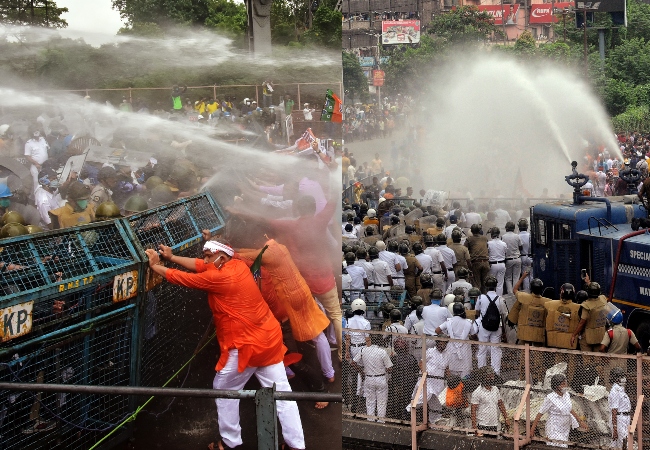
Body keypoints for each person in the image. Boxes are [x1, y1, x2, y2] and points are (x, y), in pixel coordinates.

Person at [145, 239, 304, 450]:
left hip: (246, 346)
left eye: (209, 256)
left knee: (224, 389)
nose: (205, 259)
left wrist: (157, 266)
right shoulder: (235, 265)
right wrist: (172, 257)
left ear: (222, 257)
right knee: (282, 393)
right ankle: (296, 445)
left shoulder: (219, 277)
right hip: (269, 340)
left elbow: (183, 278)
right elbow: (199, 265)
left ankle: (230, 442)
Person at [531, 374, 587, 447]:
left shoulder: (566, 395)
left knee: (564, 446)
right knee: (557, 447)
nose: (565, 386)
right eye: (563, 384)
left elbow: (570, 409)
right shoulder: (550, 398)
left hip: (565, 428)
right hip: (554, 429)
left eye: (565, 383)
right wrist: (532, 430)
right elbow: (540, 414)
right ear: (556, 386)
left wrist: (580, 422)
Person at [352, 334, 393, 422]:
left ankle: (370, 420)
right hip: (381, 378)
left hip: (368, 378)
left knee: (370, 402)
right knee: (381, 402)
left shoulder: (363, 350)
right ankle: (381, 421)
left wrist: (361, 371)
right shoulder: (382, 352)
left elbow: (353, 363)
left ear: (370, 341)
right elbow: (389, 369)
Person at [435, 302, 477, 378]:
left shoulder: (449, 322)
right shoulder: (468, 322)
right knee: (465, 372)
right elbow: (474, 335)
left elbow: (437, 330)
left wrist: (447, 337)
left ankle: (454, 387)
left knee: (453, 372)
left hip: (452, 348)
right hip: (465, 349)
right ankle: (464, 387)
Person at [475, 276, 507, 375]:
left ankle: (482, 372)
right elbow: (503, 316)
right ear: (496, 286)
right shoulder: (500, 299)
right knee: (496, 350)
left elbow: (477, 313)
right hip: (497, 327)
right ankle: (496, 373)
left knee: (482, 349)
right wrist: (504, 332)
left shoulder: (481, 298)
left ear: (486, 286)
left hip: (483, 327)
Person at [508, 275, 548, 345]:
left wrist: (522, 278)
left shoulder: (523, 297)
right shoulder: (547, 302)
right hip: (538, 334)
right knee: (538, 353)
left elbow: (515, 290)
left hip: (524, 332)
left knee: (524, 353)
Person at [470, 366, 510, 436]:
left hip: (494, 424)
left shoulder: (495, 389)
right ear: (483, 378)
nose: (491, 379)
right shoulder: (477, 392)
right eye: (488, 377)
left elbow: (500, 404)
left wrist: (506, 418)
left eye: (492, 377)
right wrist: (474, 427)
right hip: (482, 425)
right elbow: (473, 411)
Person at [571, 282, 608, 352]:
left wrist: (574, 335)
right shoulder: (603, 299)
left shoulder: (586, 306)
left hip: (588, 336)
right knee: (598, 359)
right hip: (600, 335)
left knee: (587, 360)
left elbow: (582, 322)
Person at [608, 367, 631, 450]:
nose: (623, 378)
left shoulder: (621, 389)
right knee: (624, 443)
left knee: (619, 444)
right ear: (616, 378)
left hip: (625, 418)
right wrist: (615, 428)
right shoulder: (615, 391)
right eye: (621, 377)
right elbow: (614, 410)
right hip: (619, 419)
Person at [466, 224, 490, 293]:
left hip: (476, 263)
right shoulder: (484, 238)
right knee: (485, 284)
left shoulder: (469, 239)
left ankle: (478, 300)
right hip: (486, 262)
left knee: (477, 284)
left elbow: (465, 250)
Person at [24, 128, 49, 194]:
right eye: (34, 131)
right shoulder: (28, 143)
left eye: (37, 130)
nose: (36, 133)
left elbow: (47, 150)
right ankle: (37, 201)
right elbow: (27, 156)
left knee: (47, 182)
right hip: (36, 166)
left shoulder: (43, 139)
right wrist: (36, 163)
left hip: (46, 166)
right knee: (37, 183)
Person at [502, 221, 523, 295]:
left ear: (506, 228)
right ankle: (515, 292)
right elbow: (521, 247)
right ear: (514, 228)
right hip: (517, 259)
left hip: (508, 260)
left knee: (508, 278)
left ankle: (510, 293)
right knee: (516, 277)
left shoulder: (503, 237)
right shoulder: (517, 236)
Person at [487, 228, 507, 296]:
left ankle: (491, 298)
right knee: (500, 284)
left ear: (492, 234)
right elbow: (505, 253)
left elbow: (487, 253)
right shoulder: (503, 243)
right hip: (502, 264)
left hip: (493, 265)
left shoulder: (489, 243)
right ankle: (499, 299)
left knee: (491, 283)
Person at [518, 219, 532, 292]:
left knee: (525, 275)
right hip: (530, 257)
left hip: (522, 257)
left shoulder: (518, 236)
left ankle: (526, 291)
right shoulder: (530, 235)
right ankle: (532, 290)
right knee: (531, 275)